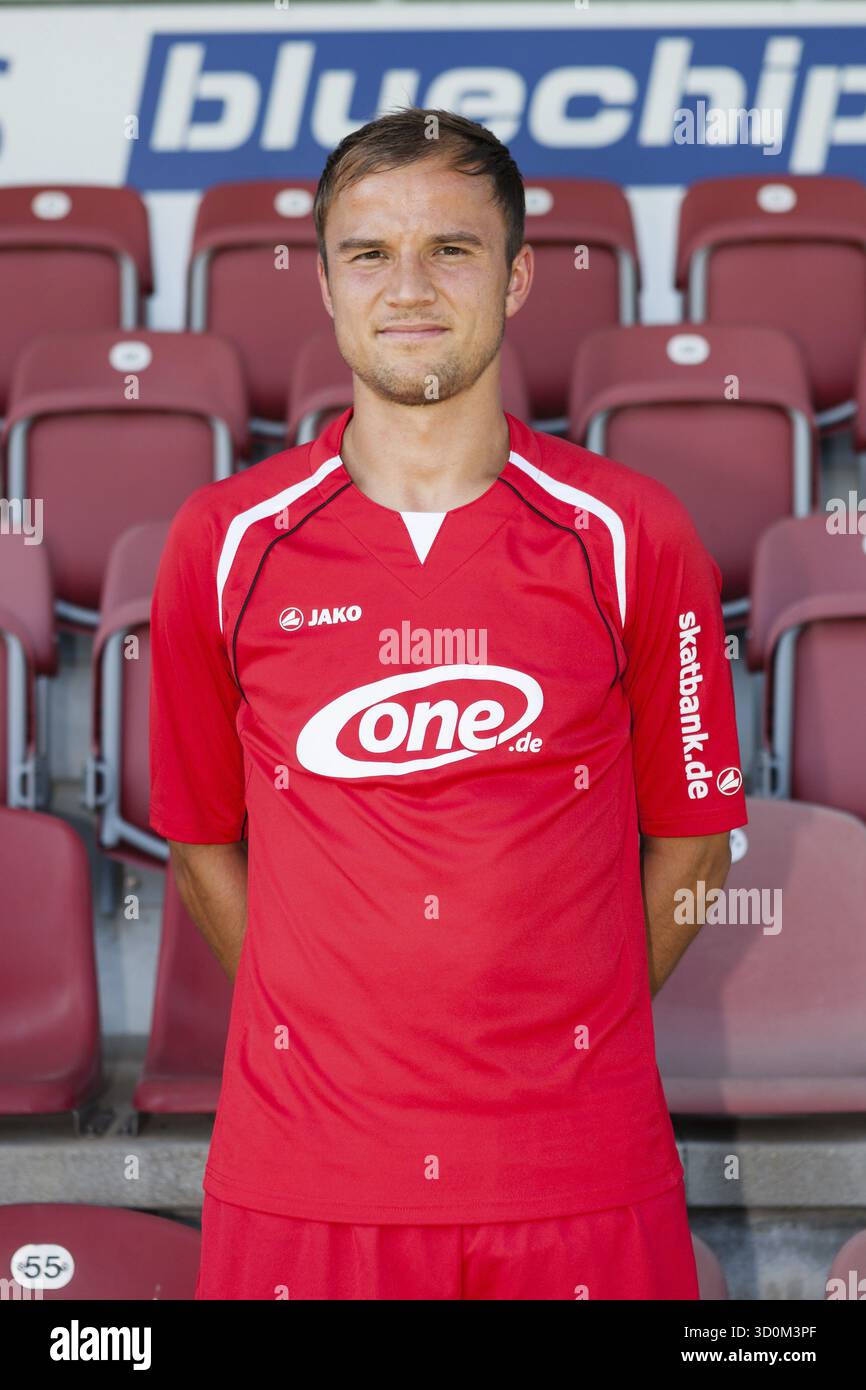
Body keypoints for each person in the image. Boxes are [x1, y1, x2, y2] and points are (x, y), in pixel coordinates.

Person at [149, 107, 747, 1301]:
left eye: (452, 248)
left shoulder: (634, 534)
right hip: (305, 1177)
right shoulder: (221, 544)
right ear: (323, 284)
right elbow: (200, 839)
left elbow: (694, 842)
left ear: (518, 276)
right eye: (369, 252)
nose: (408, 285)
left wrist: (557, 1036)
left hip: (575, 1174)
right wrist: (338, 1033)